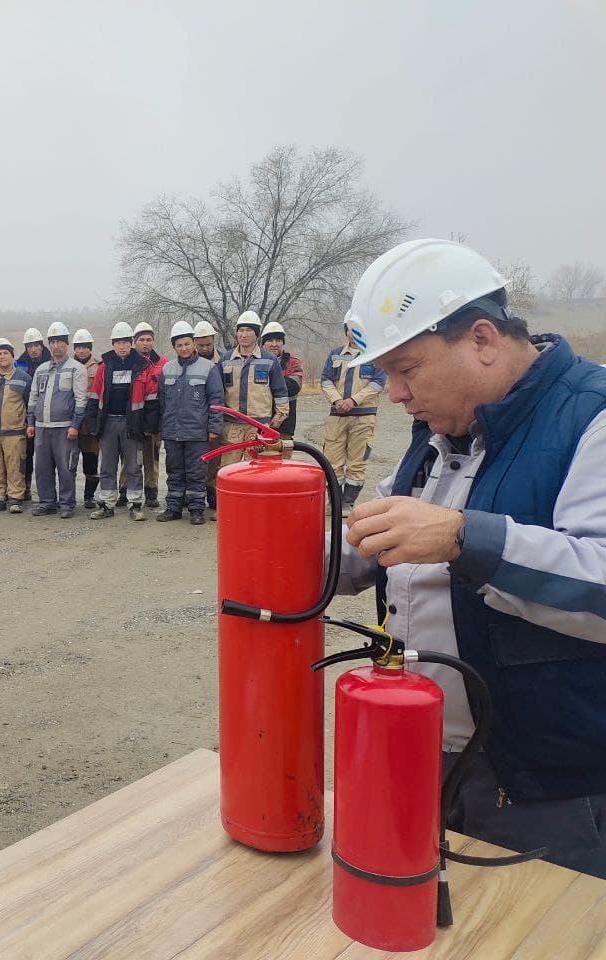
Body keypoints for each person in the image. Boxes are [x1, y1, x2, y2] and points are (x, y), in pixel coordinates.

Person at [336, 238, 606, 878]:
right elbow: (385, 543)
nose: (395, 393)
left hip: (546, 786)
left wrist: (466, 539)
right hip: (424, 755)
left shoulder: (591, 416)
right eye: (386, 375)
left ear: (482, 338)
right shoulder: (442, 428)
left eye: (408, 369)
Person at [84, 322, 158, 521]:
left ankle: (135, 504)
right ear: (113, 344)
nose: (122, 346)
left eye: (126, 342)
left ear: (131, 343)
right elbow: (94, 397)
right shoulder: (104, 366)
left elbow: (151, 399)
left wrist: (149, 427)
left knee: (134, 466)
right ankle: (107, 504)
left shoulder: (143, 366)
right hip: (108, 423)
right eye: (118, 343)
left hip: (132, 424)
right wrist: (93, 425)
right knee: (107, 466)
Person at [155, 321, 223, 524]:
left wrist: (214, 428)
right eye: (179, 345)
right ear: (174, 347)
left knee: (196, 473)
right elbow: (162, 402)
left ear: (194, 343)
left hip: (197, 433)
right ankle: (173, 508)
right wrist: (161, 428)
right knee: (174, 471)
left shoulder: (208, 368)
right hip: (173, 432)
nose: (183, 348)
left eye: (187, 344)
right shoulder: (167, 369)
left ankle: (196, 510)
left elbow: (216, 400)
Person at [321, 321, 387, 516]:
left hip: (363, 417)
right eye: (350, 329)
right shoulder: (335, 354)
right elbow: (325, 379)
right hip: (337, 415)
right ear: (346, 331)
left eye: (358, 329)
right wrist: (337, 400)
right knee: (332, 460)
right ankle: (334, 502)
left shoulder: (375, 354)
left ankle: (348, 503)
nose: (353, 333)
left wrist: (354, 401)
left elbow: (378, 383)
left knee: (357, 461)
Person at [28, 322, 87, 519]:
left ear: (67, 344)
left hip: (64, 429)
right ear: (49, 345)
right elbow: (33, 398)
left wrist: (75, 425)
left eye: (60, 342)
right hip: (42, 427)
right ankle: (46, 502)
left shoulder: (76, 369)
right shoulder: (41, 370)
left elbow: (81, 400)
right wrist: (30, 422)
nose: (56, 346)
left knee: (66, 467)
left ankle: (67, 504)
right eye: (52, 342)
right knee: (42, 468)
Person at [218, 311, 288, 467]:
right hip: (231, 427)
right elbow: (217, 393)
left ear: (256, 334)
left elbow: (280, 392)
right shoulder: (225, 360)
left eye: (249, 330)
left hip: (258, 427)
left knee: (256, 470)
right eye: (240, 330)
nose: (244, 335)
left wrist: (277, 419)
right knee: (228, 469)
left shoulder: (269, 360)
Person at [0, 338, 31, 513]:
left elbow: (30, 403)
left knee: (15, 466)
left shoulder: (24, 378)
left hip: (14, 432)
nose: (2, 357)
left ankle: (15, 498)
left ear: (12, 356)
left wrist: (28, 424)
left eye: (5, 353)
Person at [121, 321, 165, 508]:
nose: (145, 343)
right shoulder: (128, 362)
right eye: (141, 340)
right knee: (129, 457)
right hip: (132, 419)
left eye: (149, 339)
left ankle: (151, 492)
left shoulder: (162, 364)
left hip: (154, 420)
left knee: (151, 458)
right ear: (134, 342)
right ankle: (124, 490)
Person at [15, 328, 52, 500]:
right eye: (29, 346)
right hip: (25, 417)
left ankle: (50, 492)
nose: (33, 349)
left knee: (48, 457)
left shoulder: (52, 362)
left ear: (42, 346)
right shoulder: (19, 365)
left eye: (36, 345)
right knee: (26, 454)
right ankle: (26, 487)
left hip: (48, 416)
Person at [193, 319, 221, 516]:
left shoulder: (224, 361)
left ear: (213, 340)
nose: (204, 348)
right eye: (200, 344)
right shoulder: (186, 361)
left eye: (208, 344)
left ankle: (212, 493)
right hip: (194, 420)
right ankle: (193, 496)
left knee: (215, 460)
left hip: (215, 418)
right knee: (194, 461)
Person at [260, 321, 304, 439]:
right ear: (263, 343)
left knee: (284, 457)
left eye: (278, 340)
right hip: (260, 423)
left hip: (285, 425)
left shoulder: (293, 362)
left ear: (283, 343)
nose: (274, 344)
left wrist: (266, 381)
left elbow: (294, 386)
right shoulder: (255, 361)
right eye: (270, 340)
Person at [72, 329, 100, 508]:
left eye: (84, 347)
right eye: (78, 347)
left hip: (90, 424)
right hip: (72, 423)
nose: (81, 351)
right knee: (69, 463)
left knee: (91, 461)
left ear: (90, 348)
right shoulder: (67, 365)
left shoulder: (99, 366)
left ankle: (89, 496)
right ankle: (69, 497)